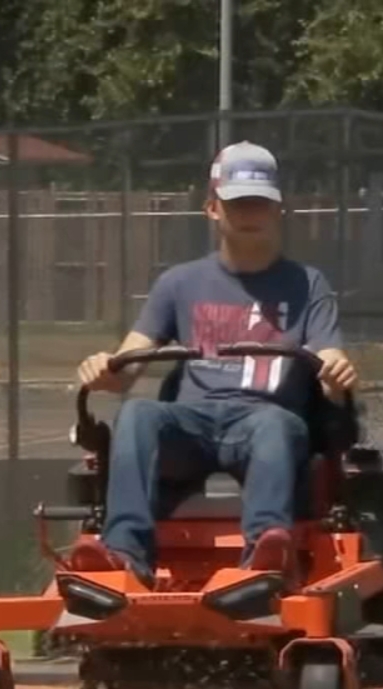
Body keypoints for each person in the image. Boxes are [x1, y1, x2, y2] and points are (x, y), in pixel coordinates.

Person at [67, 140, 360, 589]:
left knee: (274, 423)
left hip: (264, 424)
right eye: (238, 202)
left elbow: (329, 356)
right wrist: (104, 368)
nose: (249, 213)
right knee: (138, 413)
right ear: (212, 209)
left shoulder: (308, 284)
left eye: (260, 202)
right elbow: (127, 364)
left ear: (279, 209)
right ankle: (124, 555)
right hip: (193, 424)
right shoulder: (179, 283)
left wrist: (337, 372)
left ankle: (263, 558)